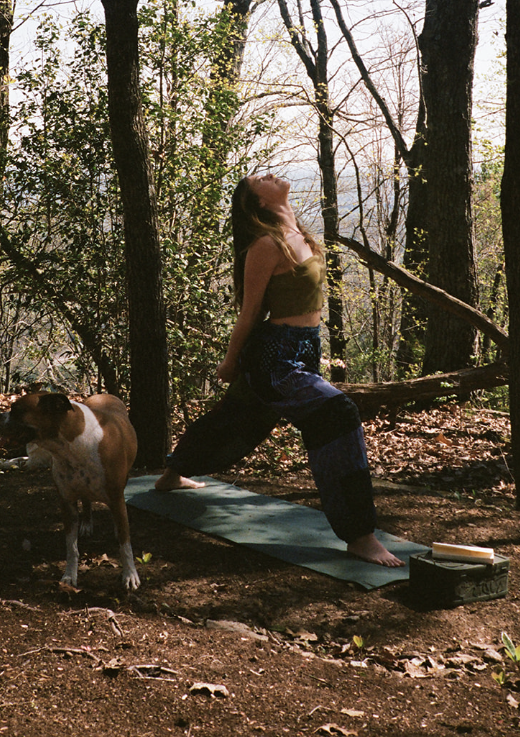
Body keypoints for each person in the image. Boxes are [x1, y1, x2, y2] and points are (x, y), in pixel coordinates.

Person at [155, 172, 403, 567]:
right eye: (259, 178)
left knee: (235, 419)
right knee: (338, 413)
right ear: (259, 202)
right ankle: (360, 535)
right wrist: (231, 360)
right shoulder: (266, 246)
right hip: (274, 359)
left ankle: (173, 473)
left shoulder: (300, 234)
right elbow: (250, 312)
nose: (269, 173)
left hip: (303, 351)